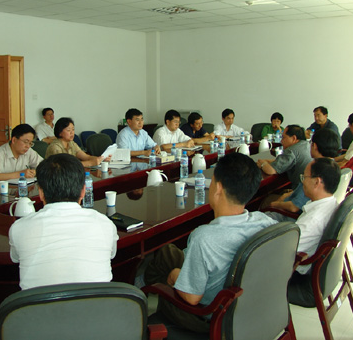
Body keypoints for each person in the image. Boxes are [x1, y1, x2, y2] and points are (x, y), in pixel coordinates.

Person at [143, 153, 276, 333]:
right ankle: (145, 281)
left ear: (218, 188)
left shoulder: (204, 237)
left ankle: (141, 291)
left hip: (210, 317)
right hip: (250, 306)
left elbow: (191, 298)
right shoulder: (265, 221)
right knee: (168, 252)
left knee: (165, 273)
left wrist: (175, 276)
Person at [9, 154, 118, 290]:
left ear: (41, 193)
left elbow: (15, 258)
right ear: (83, 191)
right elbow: (111, 254)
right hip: (97, 303)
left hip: (38, 304)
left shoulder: (19, 228)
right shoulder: (105, 224)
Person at [264, 128, 340, 219]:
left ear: (315, 146)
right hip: (296, 208)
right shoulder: (333, 167)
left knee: (266, 201)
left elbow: (294, 207)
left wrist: (274, 204)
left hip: (287, 217)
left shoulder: (316, 171)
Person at [294, 158, 340, 274]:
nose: (302, 182)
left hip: (295, 271)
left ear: (316, 182)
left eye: (304, 177)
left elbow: (283, 250)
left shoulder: (313, 221)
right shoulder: (331, 202)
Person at [257, 125, 312, 189]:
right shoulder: (307, 144)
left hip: (300, 189)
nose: (281, 141)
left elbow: (271, 170)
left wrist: (262, 163)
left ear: (294, 138)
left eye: (283, 137)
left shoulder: (291, 151)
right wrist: (268, 161)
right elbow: (288, 161)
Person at [46, 117, 110, 167]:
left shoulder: (72, 143)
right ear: (60, 132)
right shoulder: (55, 147)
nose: (72, 133)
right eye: (68, 130)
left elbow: (86, 157)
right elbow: (65, 166)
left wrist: (101, 159)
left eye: (73, 129)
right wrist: (90, 163)